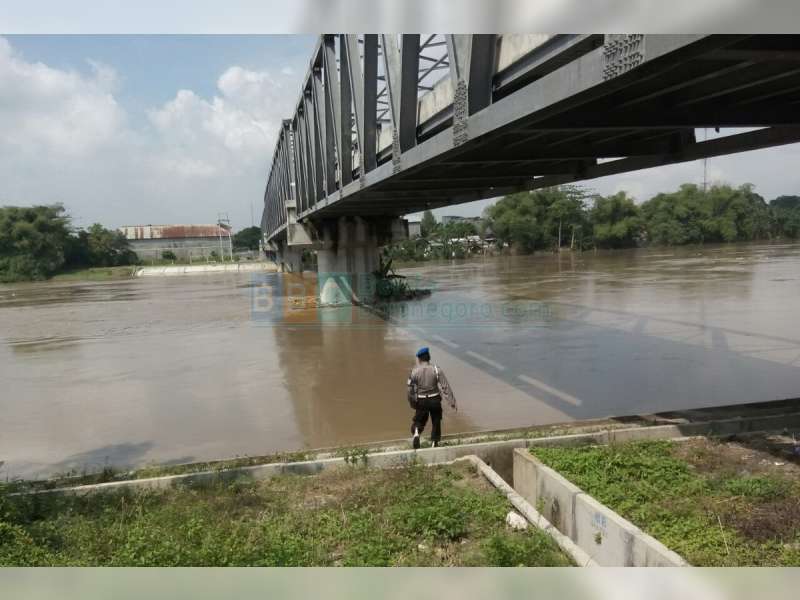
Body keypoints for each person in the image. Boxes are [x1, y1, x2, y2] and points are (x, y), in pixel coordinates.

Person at [407, 346, 457, 449]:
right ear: (429, 357)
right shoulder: (436, 370)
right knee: (436, 421)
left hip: (421, 400)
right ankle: (434, 442)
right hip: (434, 400)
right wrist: (452, 401)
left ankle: (416, 433)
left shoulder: (414, 372)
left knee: (419, 420)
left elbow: (410, 389)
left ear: (419, 359)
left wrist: (412, 401)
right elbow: (445, 386)